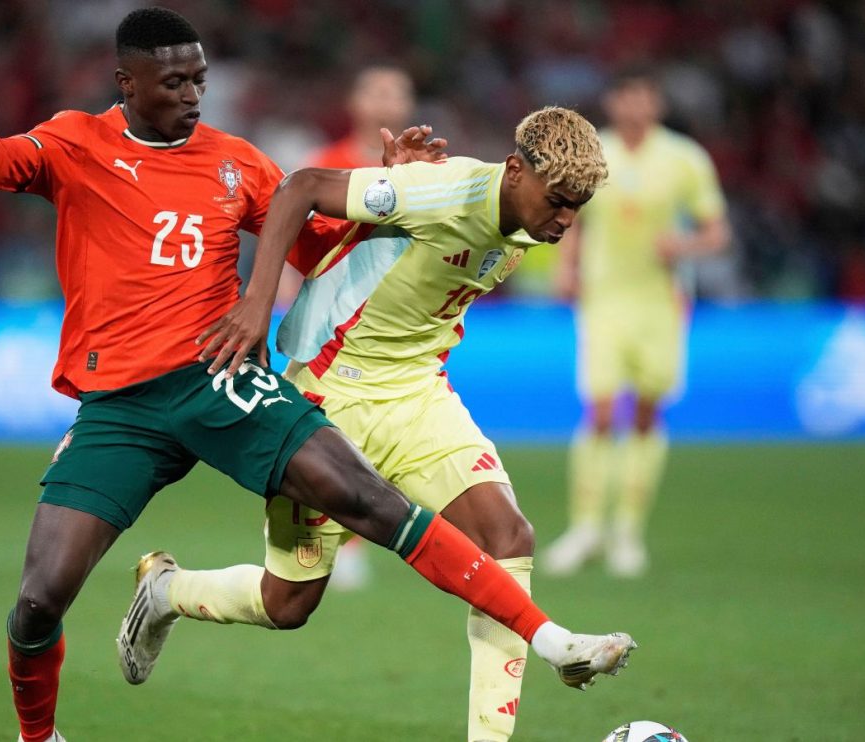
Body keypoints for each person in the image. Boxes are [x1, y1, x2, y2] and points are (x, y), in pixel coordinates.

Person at [0, 8, 633, 741]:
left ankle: (550, 640)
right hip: (118, 400)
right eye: (174, 81)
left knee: (379, 504)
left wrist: (387, 195)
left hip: (219, 374)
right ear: (128, 82)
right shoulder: (75, 141)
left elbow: (318, 244)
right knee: (41, 602)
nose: (191, 94)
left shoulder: (235, 160)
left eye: (200, 80)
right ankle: (42, 732)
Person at [125, 105, 630, 742]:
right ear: (514, 171)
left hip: (418, 394)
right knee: (289, 604)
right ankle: (168, 592)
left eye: (576, 207)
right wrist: (256, 303)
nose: (564, 220)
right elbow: (301, 188)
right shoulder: (441, 191)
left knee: (508, 539)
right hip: (330, 396)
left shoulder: (528, 216)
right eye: (558, 201)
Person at [541, 68, 730, 578]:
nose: (635, 106)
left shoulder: (684, 159)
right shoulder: (592, 152)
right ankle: (585, 528)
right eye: (627, 96)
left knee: (646, 413)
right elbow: (572, 215)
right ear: (613, 101)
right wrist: (566, 265)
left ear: (656, 103)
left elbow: (716, 231)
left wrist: (684, 245)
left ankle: (627, 530)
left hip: (660, 303)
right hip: (604, 299)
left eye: (644, 96)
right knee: (600, 412)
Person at [299, 63, 418, 590]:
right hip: (330, 323)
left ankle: (355, 538)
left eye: (395, 92)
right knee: (323, 437)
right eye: (375, 90)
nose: (385, 102)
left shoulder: (426, 173)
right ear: (354, 101)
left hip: (395, 327)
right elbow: (300, 242)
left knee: (386, 436)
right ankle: (326, 541)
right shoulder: (327, 164)